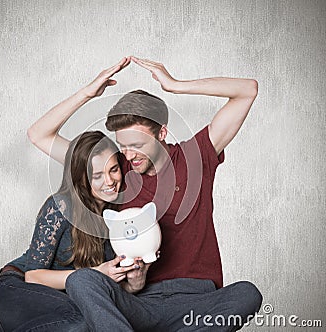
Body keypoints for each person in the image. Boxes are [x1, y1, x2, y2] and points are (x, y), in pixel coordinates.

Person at [27, 56, 263, 331]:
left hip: (198, 301)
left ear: (162, 132)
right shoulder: (116, 170)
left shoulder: (195, 157)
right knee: (82, 281)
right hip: (139, 303)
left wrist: (176, 86)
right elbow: (39, 134)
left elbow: (248, 90)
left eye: (137, 144)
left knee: (247, 293)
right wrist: (88, 93)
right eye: (122, 145)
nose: (128, 154)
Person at [0, 129, 151, 331]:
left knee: (100, 318)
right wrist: (96, 274)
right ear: (81, 178)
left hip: (67, 299)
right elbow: (33, 276)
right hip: (19, 289)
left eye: (113, 170)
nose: (109, 182)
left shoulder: (118, 217)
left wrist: (136, 282)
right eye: (97, 175)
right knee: (84, 323)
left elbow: (110, 290)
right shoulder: (61, 206)